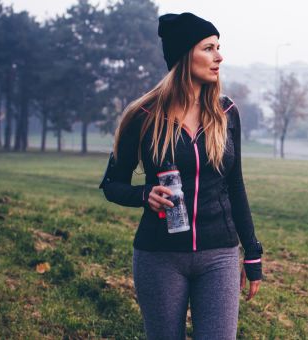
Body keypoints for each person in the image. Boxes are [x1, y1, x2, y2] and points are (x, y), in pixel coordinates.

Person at [98, 12, 263, 340]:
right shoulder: (142, 117)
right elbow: (111, 185)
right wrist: (146, 195)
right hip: (159, 256)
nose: (219, 57)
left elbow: (235, 184)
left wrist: (253, 252)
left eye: (218, 47)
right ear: (185, 55)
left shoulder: (226, 113)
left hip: (220, 255)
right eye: (208, 48)